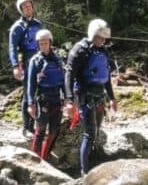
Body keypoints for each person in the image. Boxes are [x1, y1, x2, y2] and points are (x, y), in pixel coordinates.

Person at [65, 18, 117, 175]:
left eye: (104, 38)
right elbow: (69, 74)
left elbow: (106, 76)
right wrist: (69, 101)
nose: (102, 41)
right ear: (92, 34)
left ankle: (93, 162)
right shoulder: (79, 50)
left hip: (100, 94)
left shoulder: (103, 51)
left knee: (98, 129)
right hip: (84, 94)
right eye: (100, 38)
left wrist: (112, 98)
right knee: (90, 133)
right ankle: (84, 172)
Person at [25, 29, 69, 161]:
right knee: (40, 130)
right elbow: (31, 83)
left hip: (57, 98)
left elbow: (63, 80)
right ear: (38, 44)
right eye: (41, 43)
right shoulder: (35, 61)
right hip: (43, 99)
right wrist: (30, 103)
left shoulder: (58, 60)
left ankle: (46, 154)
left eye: (46, 43)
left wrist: (67, 98)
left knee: (55, 130)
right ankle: (36, 158)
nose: (44, 45)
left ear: (50, 43)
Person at [8, 0, 44, 139]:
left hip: (40, 60)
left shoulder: (38, 24)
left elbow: (45, 41)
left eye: (29, 5)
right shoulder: (17, 27)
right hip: (27, 61)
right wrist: (16, 65)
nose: (28, 8)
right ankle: (26, 127)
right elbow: (12, 47)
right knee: (28, 92)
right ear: (21, 10)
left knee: (41, 91)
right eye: (25, 7)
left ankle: (38, 123)